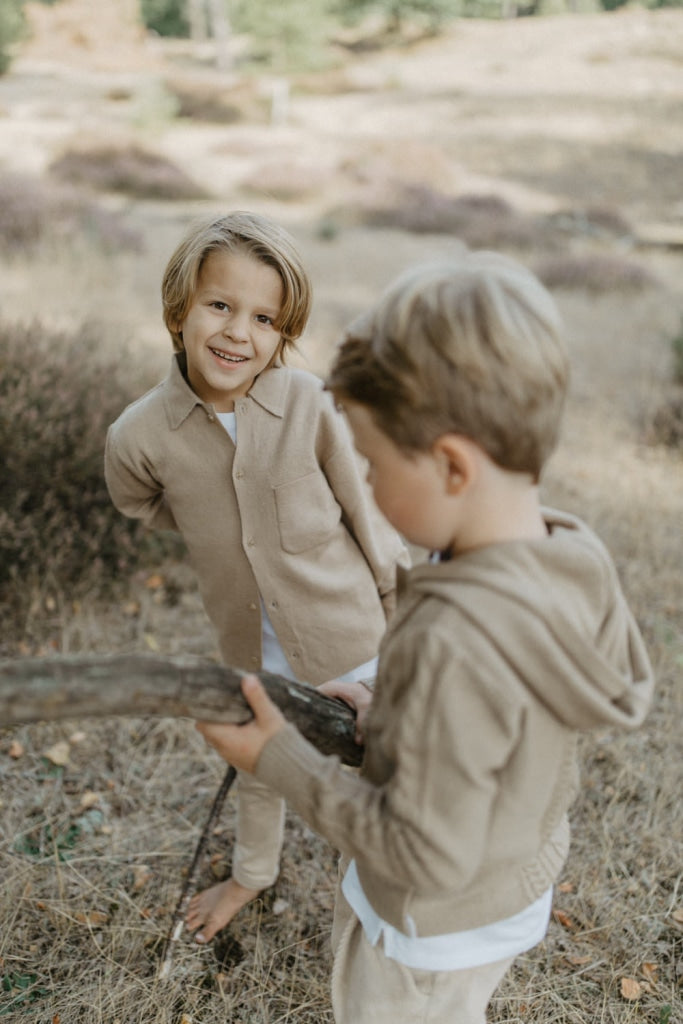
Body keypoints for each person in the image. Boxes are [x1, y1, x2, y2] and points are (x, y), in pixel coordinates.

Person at [195, 251, 654, 1024]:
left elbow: (418, 850)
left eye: (372, 466)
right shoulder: (563, 551)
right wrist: (389, 704)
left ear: (449, 466)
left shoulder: (456, 641)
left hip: (424, 931)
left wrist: (276, 758)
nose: (365, 485)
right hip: (507, 886)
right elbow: (494, 725)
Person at [104, 211, 409, 943]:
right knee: (261, 769)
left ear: (282, 333)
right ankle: (252, 874)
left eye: (264, 318)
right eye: (220, 305)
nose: (239, 332)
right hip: (256, 651)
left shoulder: (309, 406)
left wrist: (410, 632)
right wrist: (222, 523)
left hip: (359, 644)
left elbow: (370, 522)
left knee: (385, 782)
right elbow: (141, 502)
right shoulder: (140, 435)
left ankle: (376, 921)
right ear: (179, 310)